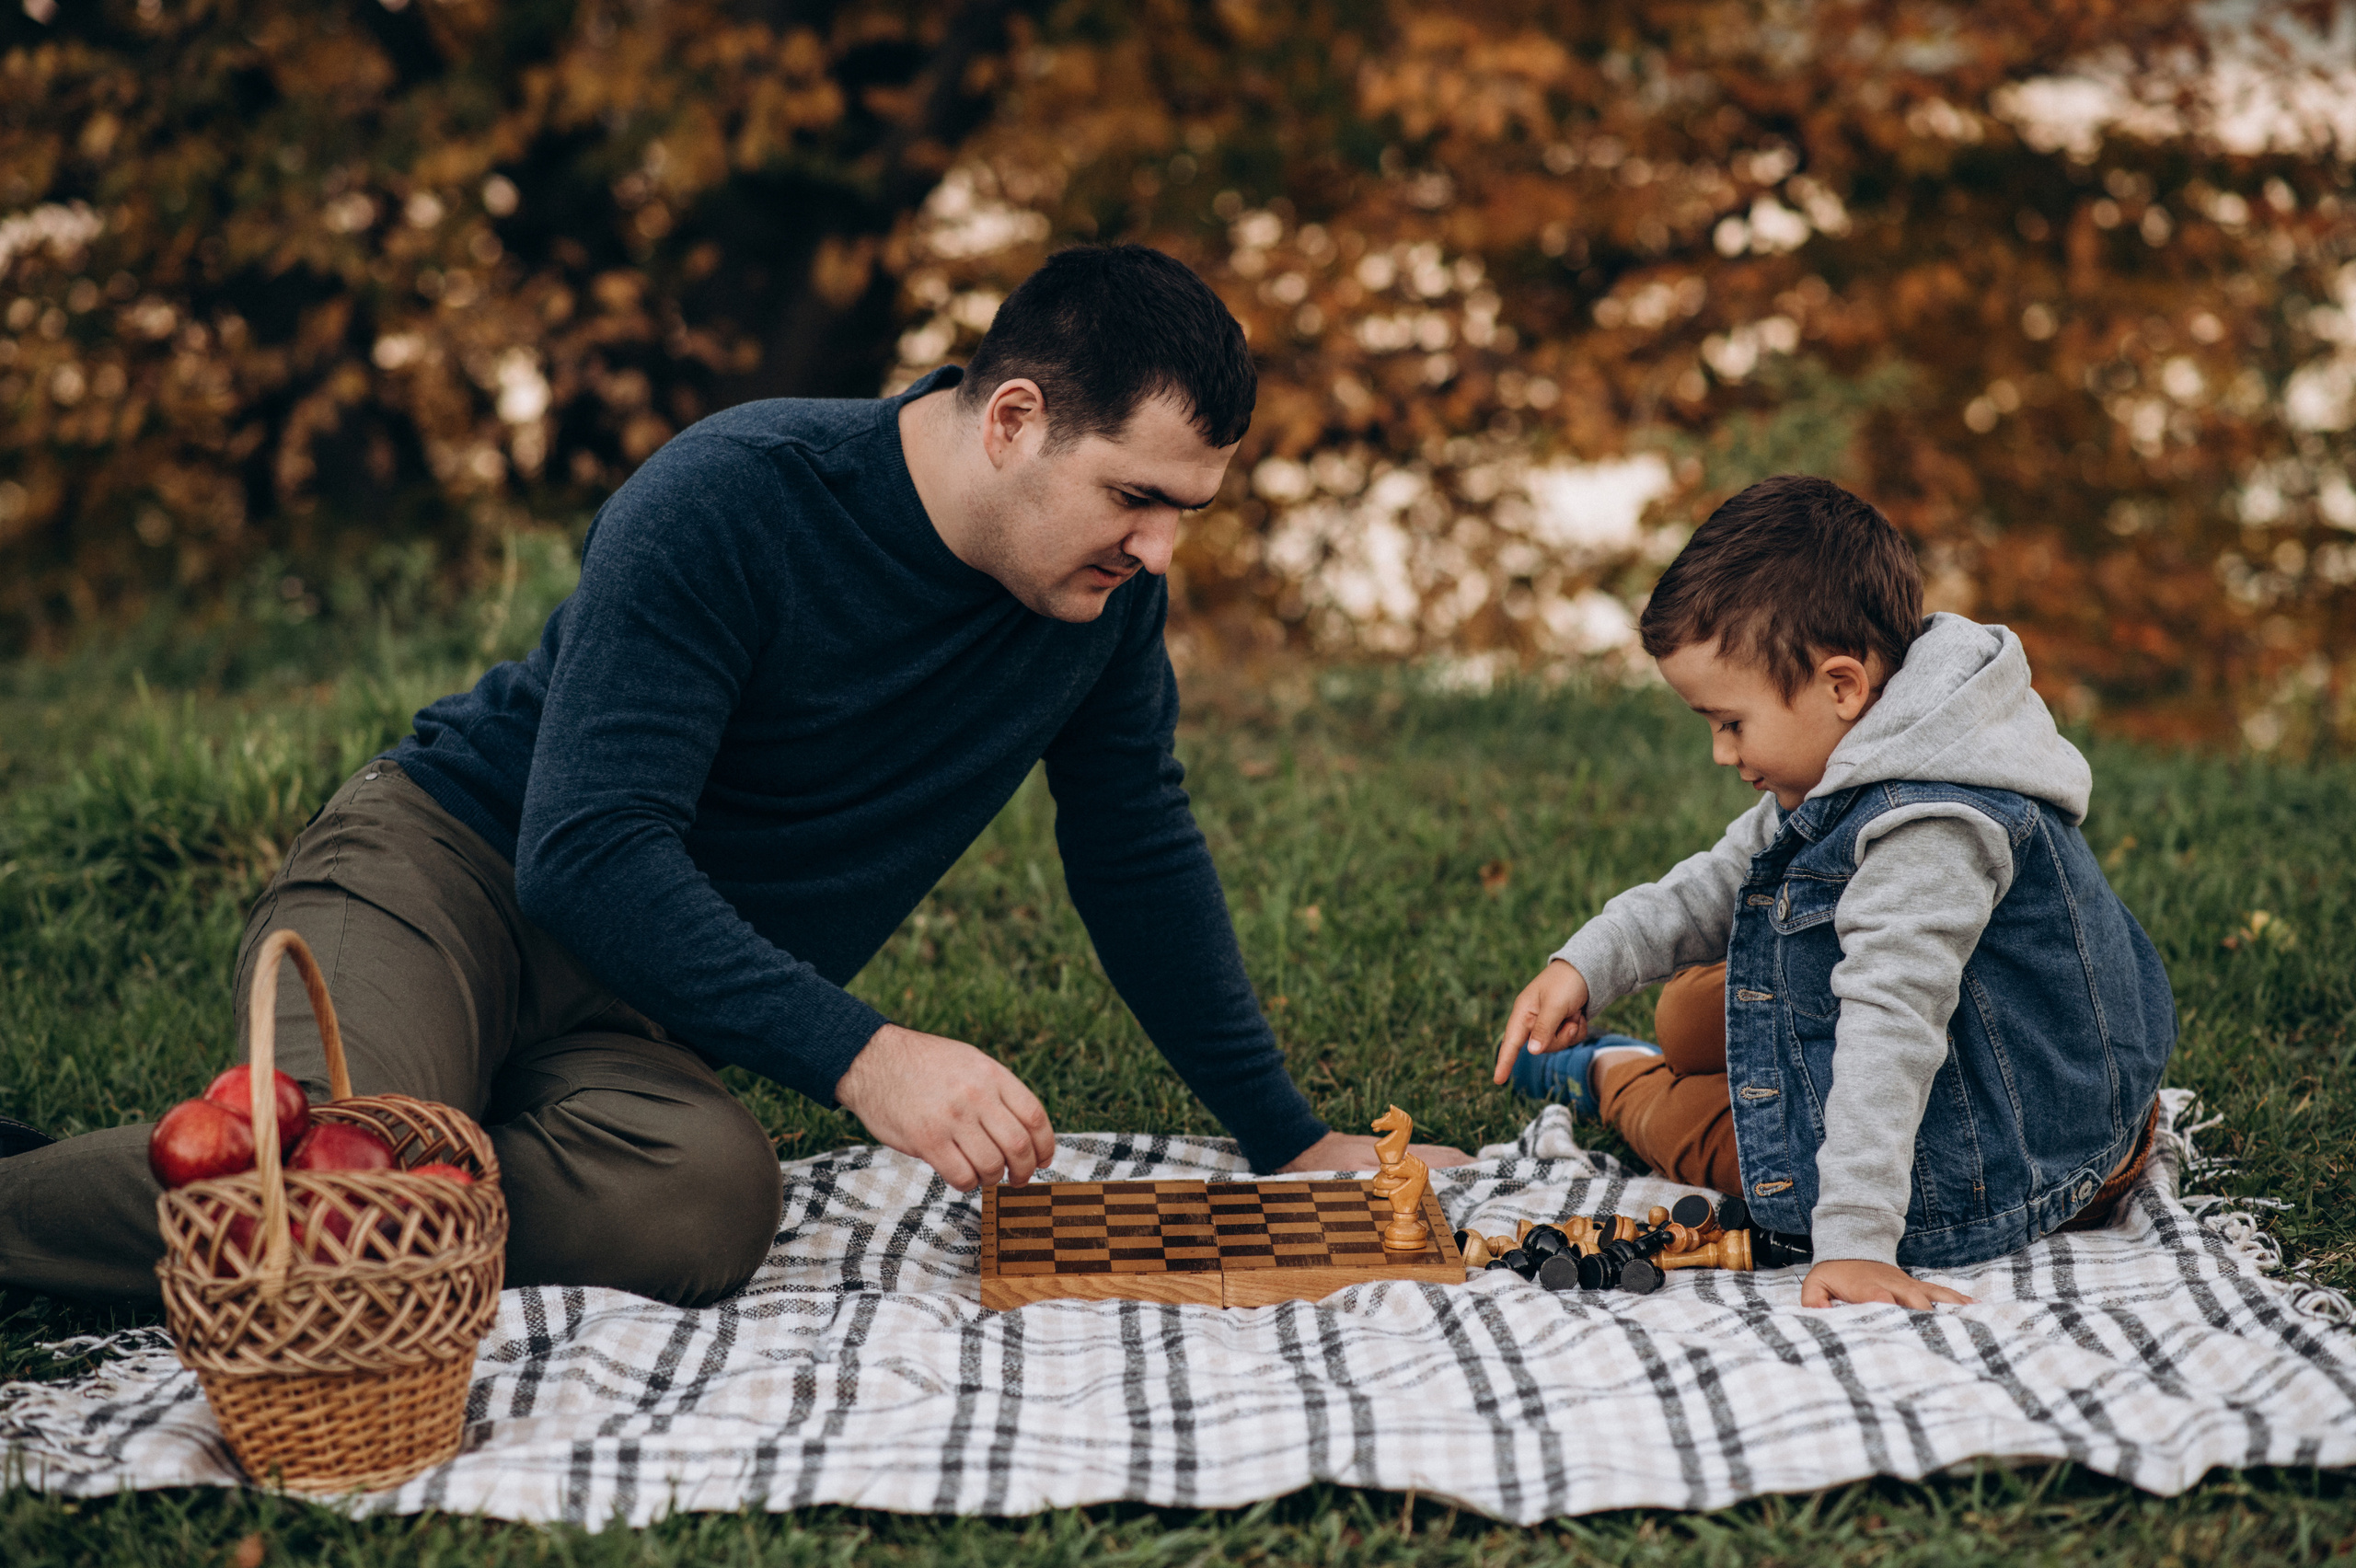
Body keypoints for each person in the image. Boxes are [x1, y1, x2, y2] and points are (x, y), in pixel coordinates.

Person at [2, 245, 1468, 1309]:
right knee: (335, 1198)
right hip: (449, 879)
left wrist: (1288, 1140)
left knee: (702, 1208)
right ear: (1012, 417)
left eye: (1187, 514)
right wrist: (867, 1052)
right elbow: (583, 852)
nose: (1160, 553)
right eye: (1137, 499)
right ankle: (103, 1191)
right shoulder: (736, 495)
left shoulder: (1102, 610)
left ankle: (415, 1155)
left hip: (651, 998)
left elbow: (1135, 850)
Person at [1491, 476, 2175, 1309]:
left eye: (1730, 722)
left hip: (2000, 1149)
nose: (1719, 752)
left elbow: (1893, 1021)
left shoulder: (1933, 824)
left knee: (1696, 1129)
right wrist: (1588, 965)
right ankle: (1646, 1042)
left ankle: (1605, 1072)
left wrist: (1853, 1239)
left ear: (1842, 685)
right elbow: (1718, 881)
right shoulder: (1866, 744)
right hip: (1964, 1051)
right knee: (1683, 1014)